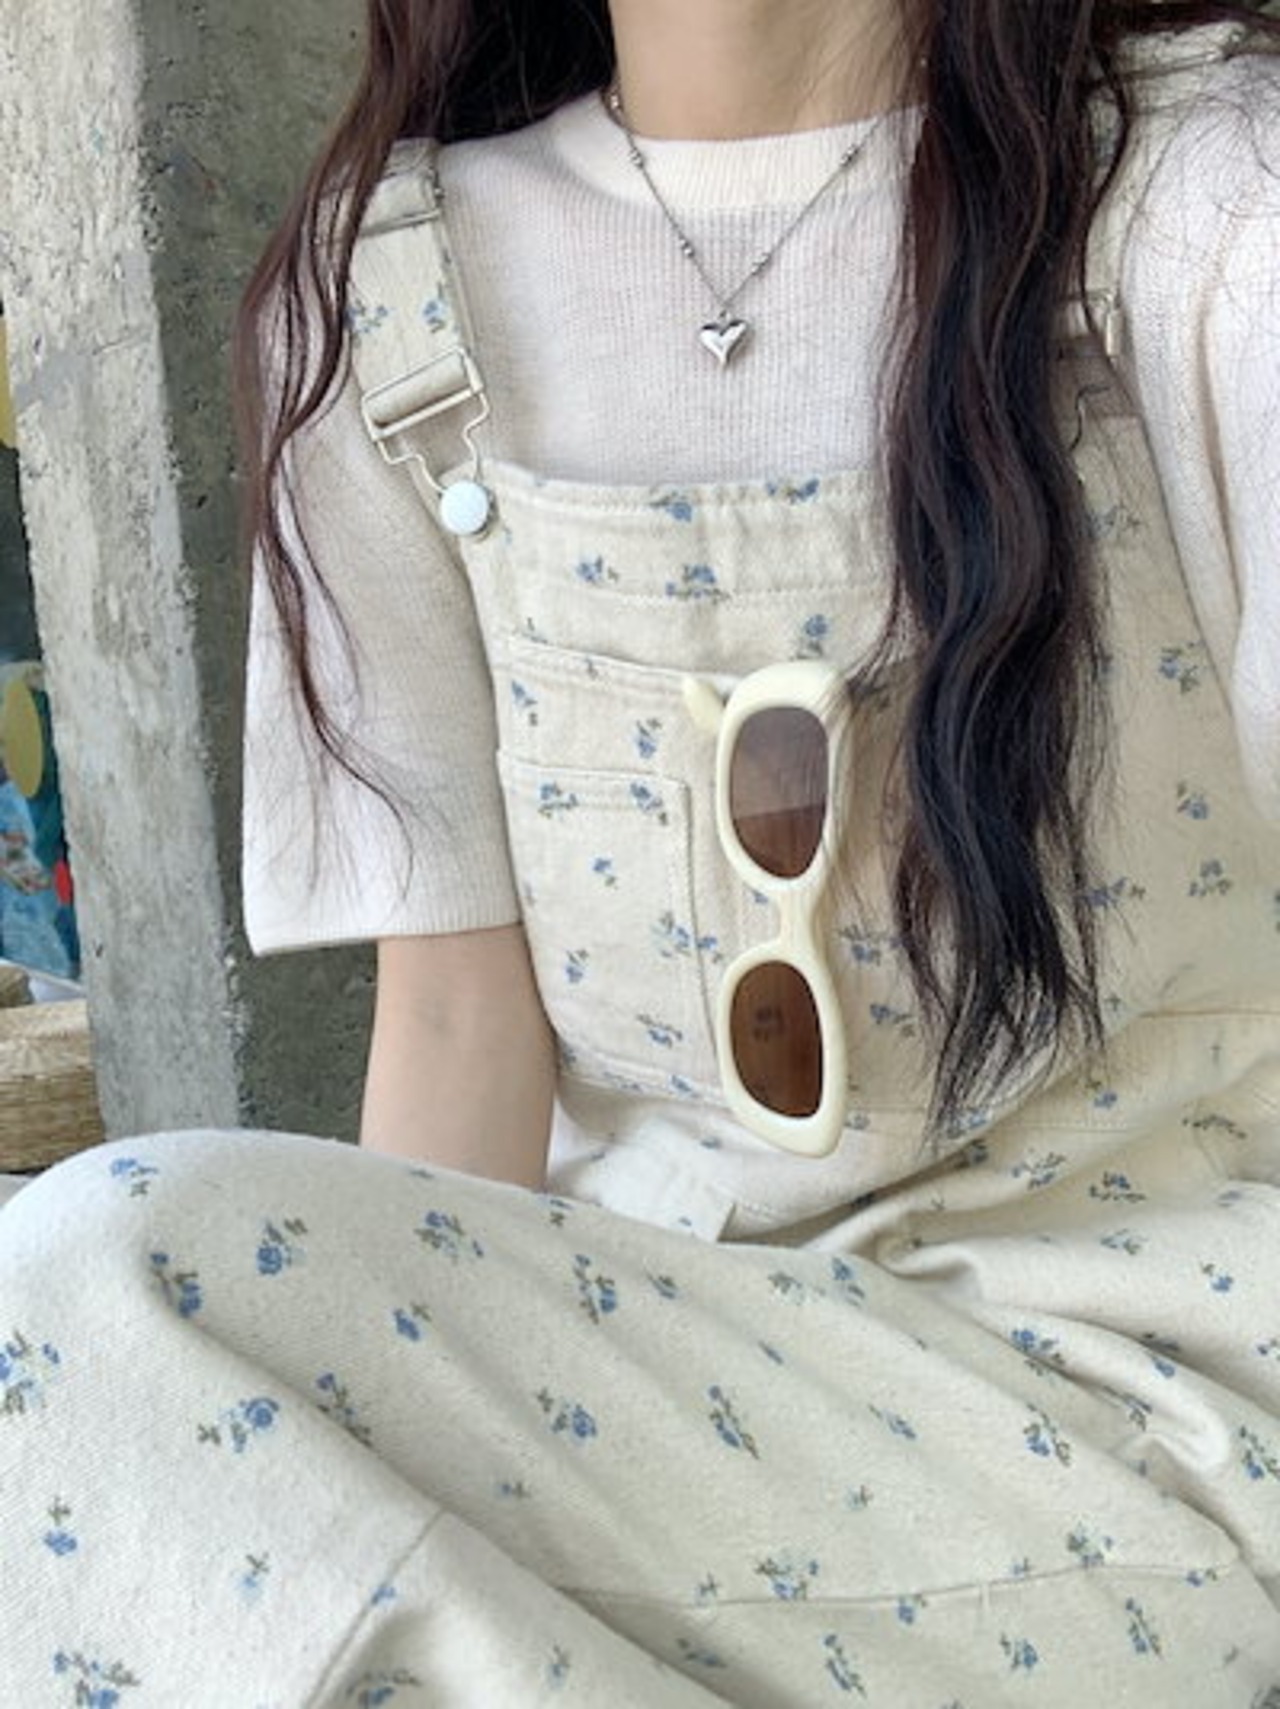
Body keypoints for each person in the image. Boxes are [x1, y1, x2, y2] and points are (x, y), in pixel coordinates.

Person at [2, 1, 1279, 1703]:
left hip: (1150, 1396)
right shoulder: (392, 297)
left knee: (94, 1287)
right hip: (666, 1391)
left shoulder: (1199, 197)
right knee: (100, 1361)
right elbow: (458, 1027)